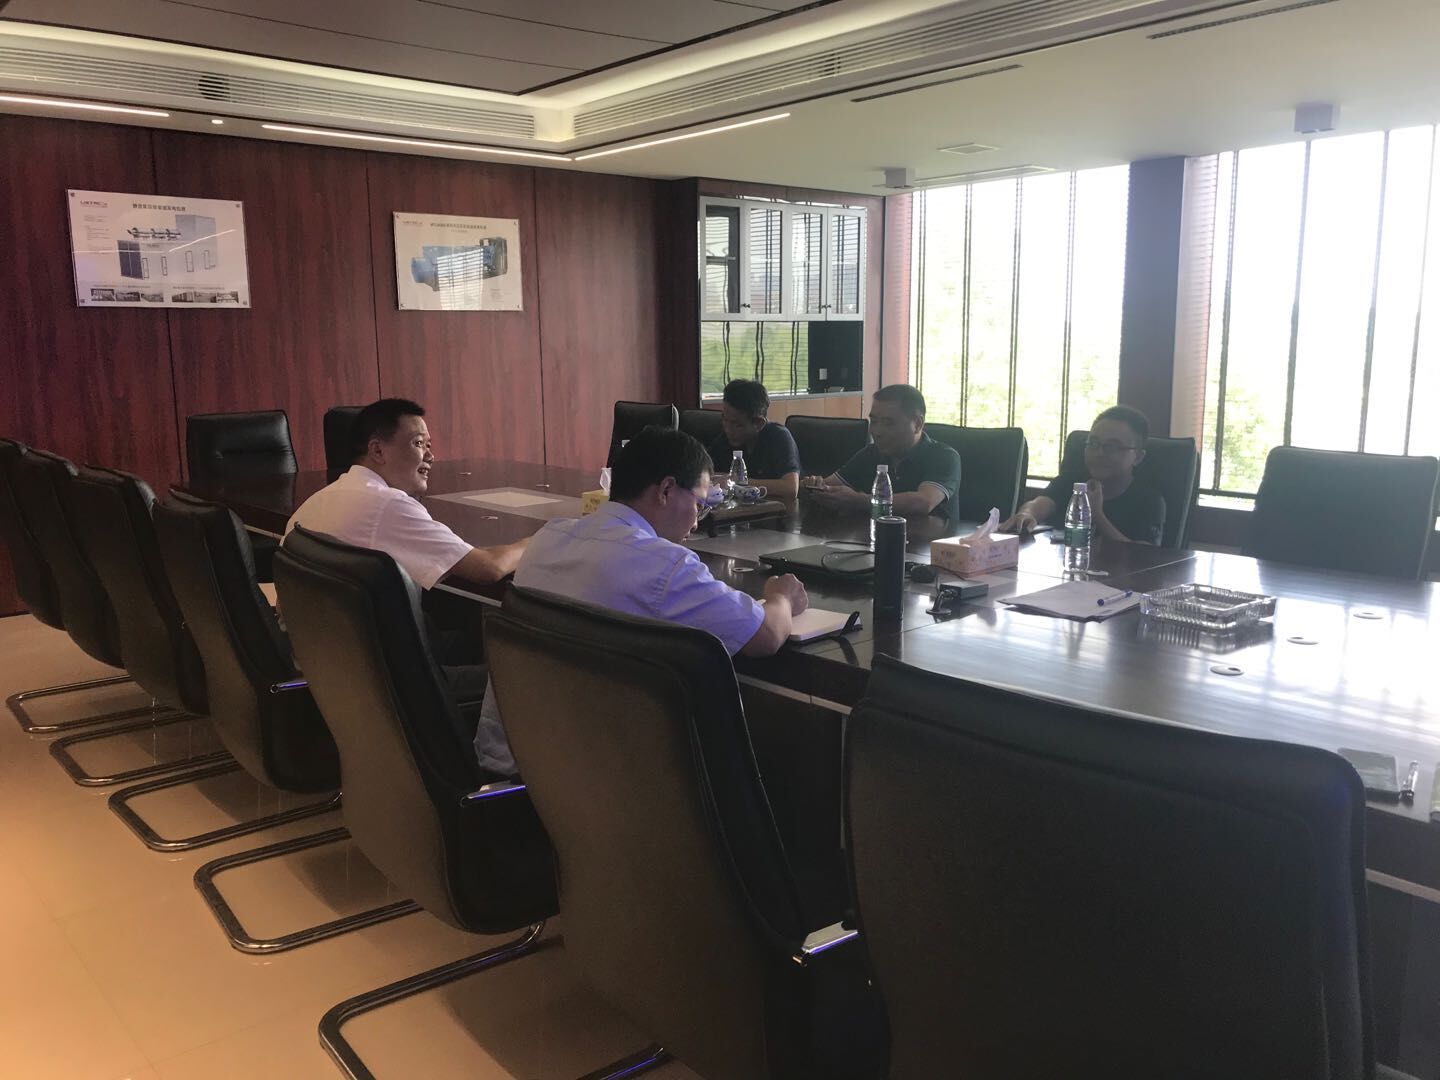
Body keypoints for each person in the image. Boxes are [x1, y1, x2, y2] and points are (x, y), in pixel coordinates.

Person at [473, 426, 809, 777]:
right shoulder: (664, 565)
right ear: (666, 490)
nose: (697, 522)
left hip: (513, 763)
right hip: (598, 786)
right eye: (698, 504)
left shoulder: (548, 537)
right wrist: (781, 596)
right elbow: (766, 636)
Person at [284, 397, 527, 588]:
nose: (431, 456)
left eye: (428, 445)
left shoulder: (319, 499)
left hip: (310, 634)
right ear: (377, 451)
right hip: (367, 637)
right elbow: (488, 568)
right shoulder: (387, 505)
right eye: (418, 443)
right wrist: (535, 543)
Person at [1001, 405, 1166, 545]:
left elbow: (1143, 556)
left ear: (1138, 457)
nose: (1099, 453)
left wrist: (1097, 515)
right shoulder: (1072, 481)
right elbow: (1040, 503)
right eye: (1093, 444)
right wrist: (1027, 514)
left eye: (1112, 447)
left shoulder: (1149, 500)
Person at [804, 384, 961, 516]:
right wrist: (815, 487)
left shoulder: (944, 456)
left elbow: (923, 502)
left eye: (888, 423)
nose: (877, 431)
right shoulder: (871, 453)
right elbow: (829, 485)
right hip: (873, 537)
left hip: (929, 542)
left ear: (917, 424)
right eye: (874, 421)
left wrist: (859, 501)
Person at [706, 379, 802, 499]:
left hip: (776, 509)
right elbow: (702, 473)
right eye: (725, 419)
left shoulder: (778, 436)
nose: (728, 429)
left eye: (737, 425)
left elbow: (790, 488)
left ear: (759, 423)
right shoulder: (724, 438)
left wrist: (734, 482)